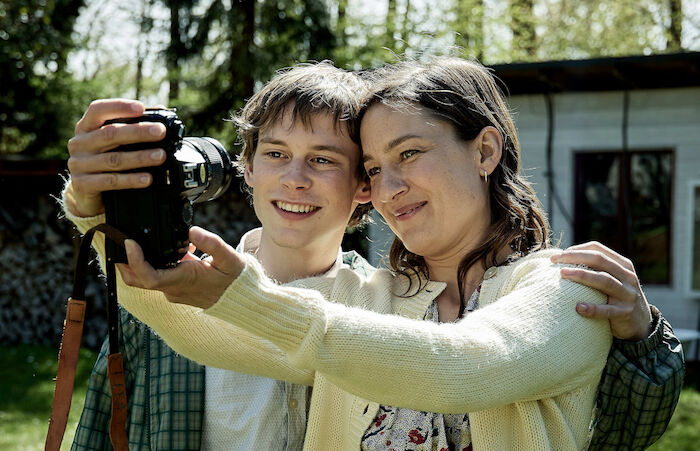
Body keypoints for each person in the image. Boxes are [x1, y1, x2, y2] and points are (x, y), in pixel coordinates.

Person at [62, 60, 683, 449]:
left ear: (485, 151)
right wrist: (101, 210)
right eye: (377, 168)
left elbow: (469, 366)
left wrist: (243, 298)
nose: (388, 189)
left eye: (409, 154)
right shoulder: (369, 298)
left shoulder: (566, 284)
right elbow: (202, 332)